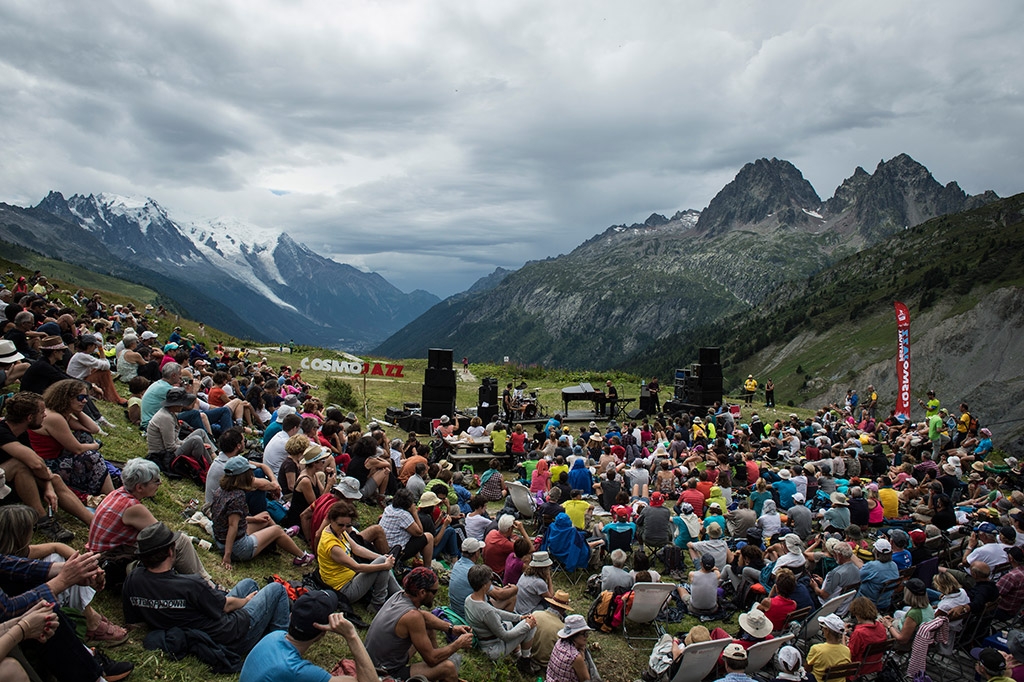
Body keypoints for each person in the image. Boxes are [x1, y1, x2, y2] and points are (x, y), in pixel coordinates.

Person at [123, 522, 292, 655]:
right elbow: (226, 606)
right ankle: (280, 646)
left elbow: (133, 622)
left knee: (249, 583)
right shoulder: (190, 584)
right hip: (231, 637)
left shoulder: (134, 579)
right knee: (276, 589)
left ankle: (265, 629)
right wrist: (247, 601)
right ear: (170, 552)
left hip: (199, 626)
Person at [0, 504, 126, 645]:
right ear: (20, 535)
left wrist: (88, 567)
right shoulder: (6, 564)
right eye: (32, 528)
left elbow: (57, 547)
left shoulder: (17, 552)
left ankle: (89, 615)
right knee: (63, 567)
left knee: (60, 560)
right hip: (23, 613)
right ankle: (90, 621)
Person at [86, 458, 216, 589]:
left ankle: (203, 582)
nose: (159, 483)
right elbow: (164, 535)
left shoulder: (117, 494)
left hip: (100, 559)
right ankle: (207, 585)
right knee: (180, 542)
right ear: (140, 487)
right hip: (111, 565)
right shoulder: (133, 507)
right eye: (156, 481)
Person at [0, 391, 91, 540]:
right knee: (20, 465)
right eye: (42, 412)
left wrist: (48, 486)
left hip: (6, 482)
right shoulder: (2, 431)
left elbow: (39, 463)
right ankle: (43, 521)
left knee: (54, 478)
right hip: (4, 481)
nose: (45, 416)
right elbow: (35, 463)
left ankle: (93, 522)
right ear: (29, 417)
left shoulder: (21, 432)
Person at [239, 590, 378, 682]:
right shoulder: (296, 671)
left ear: (291, 616)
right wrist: (351, 635)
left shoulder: (274, 636)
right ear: (322, 633)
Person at [365, 567, 474, 682]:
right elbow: (431, 659)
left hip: (372, 661)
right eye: (434, 591)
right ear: (422, 592)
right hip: (384, 673)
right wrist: (459, 643)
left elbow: (424, 617)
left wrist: (451, 628)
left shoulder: (399, 595)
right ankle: (445, 673)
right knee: (449, 668)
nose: (435, 595)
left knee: (428, 629)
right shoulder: (412, 617)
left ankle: (441, 672)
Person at [210, 455, 314, 569]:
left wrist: (254, 519)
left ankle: (284, 535)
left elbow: (226, 518)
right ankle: (302, 557)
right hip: (238, 548)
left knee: (265, 516)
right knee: (277, 530)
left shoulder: (221, 490)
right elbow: (232, 526)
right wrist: (227, 556)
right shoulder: (237, 497)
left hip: (221, 540)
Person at [28, 379, 115, 497]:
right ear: (66, 398)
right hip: (49, 465)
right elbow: (77, 449)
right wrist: (96, 445)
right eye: (80, 398)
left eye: (86, 397)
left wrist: (78, 411)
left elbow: (93, 429)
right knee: (93, 457)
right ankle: (110, 494)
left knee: (84, 436)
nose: (84, 401)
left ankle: (104, 489)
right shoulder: (55, 418)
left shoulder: (63, 414)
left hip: (58, 458)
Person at [317, 499, 400, 612]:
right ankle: (381, 602)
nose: (344, 528)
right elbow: (357, 567)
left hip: (352, 577)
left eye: (347, 525)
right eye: (341, 525)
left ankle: (399, 596)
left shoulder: (338, 531)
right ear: (331, 520)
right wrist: (384, 564)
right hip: (345, 589)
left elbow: (357, 548)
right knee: (382, 564)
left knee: (382, 561)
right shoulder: (331, 545)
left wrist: (382, 557)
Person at [465, 564, 538, 672]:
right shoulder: (486, 610)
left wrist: (520, 617)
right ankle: (525, 661)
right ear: (485, 585)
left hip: (483, 641)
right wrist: (527, 625)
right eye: (490, 580)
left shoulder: (469, 600)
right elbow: (505, 636)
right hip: (492, 650)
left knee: (509, 623)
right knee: (532, 624)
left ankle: (518, 654)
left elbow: (496, 611)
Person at [882, 578, 933, 650]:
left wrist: (889, 626)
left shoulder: (915, 614)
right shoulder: (927, 606)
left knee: (872, 625)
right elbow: (909, 624)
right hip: (900, 627)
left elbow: (902, 639)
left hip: (899, 640)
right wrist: (893, 620)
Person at [546, 614, 597, 682]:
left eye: (587, 633)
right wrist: (583, 657)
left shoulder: (559, 643)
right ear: (574, 635)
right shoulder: (575, 657)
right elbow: (586, 679)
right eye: (584, 634)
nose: (587, 636)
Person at [805, 614, 850, 682]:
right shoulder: (846, 650)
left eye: (822, 627)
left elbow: (807, 669)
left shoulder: (816, 649)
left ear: (827, 631)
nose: (822, 629)